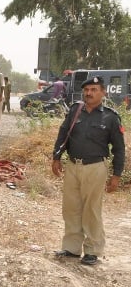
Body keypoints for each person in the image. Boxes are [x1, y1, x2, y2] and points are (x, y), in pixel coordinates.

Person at [52, 76, 125, 265]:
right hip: (73, 166)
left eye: (93, 89)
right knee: (71, 208)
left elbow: (119, 149)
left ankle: (93, 250)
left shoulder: (110, 117)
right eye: (86, 90)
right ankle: (72, 248)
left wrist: (116, 175)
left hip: (95, 168)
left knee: (91, 209)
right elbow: (63, 133)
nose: (89, 93)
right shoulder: (75, 110)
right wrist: (56, 157)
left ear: (103, 92)